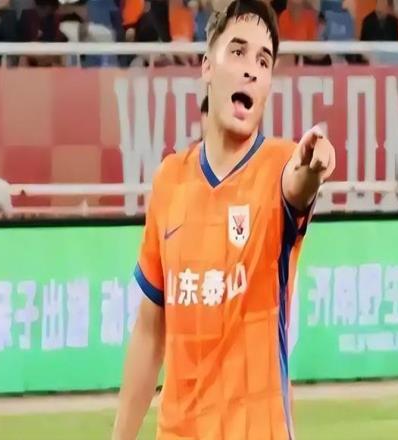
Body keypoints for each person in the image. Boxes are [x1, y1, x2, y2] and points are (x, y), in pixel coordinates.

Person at [112, 1, 336, 439]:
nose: (251, 69)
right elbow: (149, 333)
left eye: (263, 61)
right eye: (237, 52)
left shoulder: (279, 165)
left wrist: (312, 166)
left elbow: (297, 182)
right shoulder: (170, 180)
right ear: (207, 67)